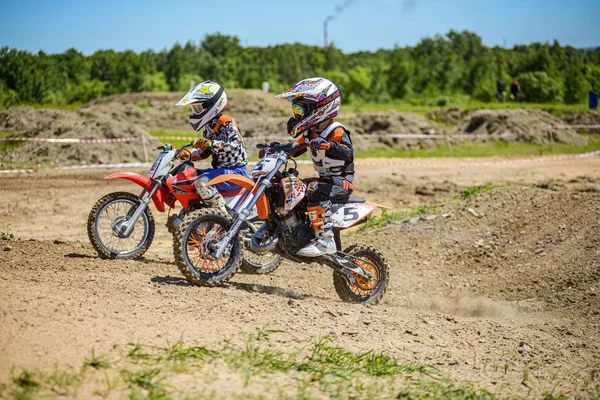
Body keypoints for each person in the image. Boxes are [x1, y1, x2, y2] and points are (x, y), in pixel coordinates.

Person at [276, 77, 353, 257]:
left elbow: (347, 152)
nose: (298, 115)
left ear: (320, 106)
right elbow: (296, 147)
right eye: (296, 110)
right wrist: (277, 150)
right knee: (293, 189)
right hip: (326, 179)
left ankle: (325, 240)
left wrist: (328, 145)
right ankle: (301, 233)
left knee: (313, 191)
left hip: (341, 181)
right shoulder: (312, 132)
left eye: (301, 109)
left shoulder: (336, 130)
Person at [175, 80, 248, 210]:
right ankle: (196, 213)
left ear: (212, 105)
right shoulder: (209, 127)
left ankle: (220, 215)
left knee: (202, 182)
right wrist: (181, 154)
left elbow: (235, 145)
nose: (196, 111)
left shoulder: (227, 122)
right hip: (220, 171)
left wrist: (212, 143)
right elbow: (203, 153)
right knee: (188, 176)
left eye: (198, 108)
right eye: (195, 109)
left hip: (236, 172)